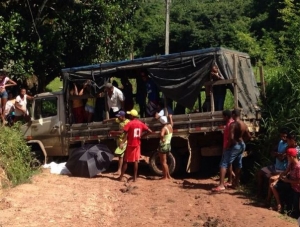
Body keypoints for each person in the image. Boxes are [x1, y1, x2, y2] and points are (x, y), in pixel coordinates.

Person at [212, 109, 252, 192]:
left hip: (234, 145)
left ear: (233, 115)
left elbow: (231, 138)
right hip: (241, 145)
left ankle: (221, 185)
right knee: (238, 164)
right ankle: (236, 183)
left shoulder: (233, 124)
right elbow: (249, 136)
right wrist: (242, 141)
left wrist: (228, 146)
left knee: (223, 164)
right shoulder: (243, 124)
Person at [118, 109, 152, 182]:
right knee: (136, 161)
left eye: (130, 115)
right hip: (137, 144)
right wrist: (142, 136)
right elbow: (150, 131)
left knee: (126, 161)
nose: (129, 115)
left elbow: (124, 133)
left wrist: (122, 142)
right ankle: (135, 178)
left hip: (130, 144)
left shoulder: (130, 123)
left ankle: (121, 177)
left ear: (132, 116)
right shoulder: (141, 123)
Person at [270, 133, 300, 213]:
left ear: (291, 157)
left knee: (295, 211)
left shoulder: (298, 167)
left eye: (287, 156)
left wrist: (287, 181)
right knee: (273, 185)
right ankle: (279, 205)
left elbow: (299, 181)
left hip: (296, 187)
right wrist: (278, 178)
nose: (286, 158)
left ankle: (284, 207)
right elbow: (285, 172)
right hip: (290, 183)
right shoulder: (291, 164)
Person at [256, 128, 288, 202]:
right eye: (282, 136)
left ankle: (268, 200)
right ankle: (259, 193)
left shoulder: (288, 145)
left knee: (271, 179)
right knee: (260, 172)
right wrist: (278, 154)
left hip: (282, 169)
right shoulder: (280, 142)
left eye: (285, 137)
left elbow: (282, 158)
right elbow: (273, 152)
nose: (283, 138)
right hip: (275, 166)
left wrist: (277, 154)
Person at [103, 111, 130, 175]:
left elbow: (122, 132)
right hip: (119, 140)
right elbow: (113, 119)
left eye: (119, 116)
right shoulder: (120, 120)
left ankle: (120, 171)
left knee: (119, 154)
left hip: (123, 141)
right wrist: (106, 120)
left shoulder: (127, 122)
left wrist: (112, 132)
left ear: (123, 116)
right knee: (121, 156)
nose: (118, 117)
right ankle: (120, 170)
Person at [222, 110, 235, 187]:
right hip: (227, 146)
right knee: (229, 163)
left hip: (228, 146)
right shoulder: (230, 123)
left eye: (223, 116)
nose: (222, 118)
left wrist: (227, 146)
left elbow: (230, 137)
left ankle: (230, 180)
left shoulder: (230, 124)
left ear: (226, 117)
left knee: (225, 163)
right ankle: (231, 179)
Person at [158, 116, 173, 180]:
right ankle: (168, 176)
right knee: (165, 161)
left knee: (163, 162)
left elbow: (161, 134)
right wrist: (170, 118)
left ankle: (165, 177)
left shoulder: (163, 128)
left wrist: (162, 139)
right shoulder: (170, 126)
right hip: (168, 145)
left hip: (163, 145)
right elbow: (172, 123)